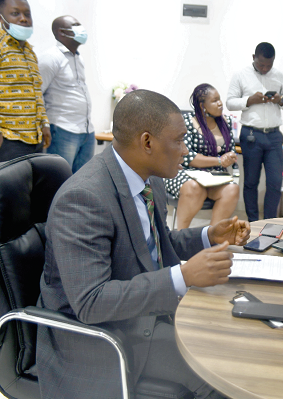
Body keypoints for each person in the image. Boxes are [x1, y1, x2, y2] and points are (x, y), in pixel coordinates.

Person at [37, 89, 251, 399]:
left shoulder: (150, 177)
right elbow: (91, 302)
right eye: (178, 140)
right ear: (147, 142)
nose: (185, 150)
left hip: (142, 314)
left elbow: (155, 245)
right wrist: (184, 276)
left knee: (229, 334)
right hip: (102, 338)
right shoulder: (83, 199)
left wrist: (209, 236)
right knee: (221, 372)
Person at [226, 42, 283, 222]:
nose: (264, 69)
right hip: (251, 135)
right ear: (253, 57)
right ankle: (254, 222)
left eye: (268, 65)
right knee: (250, 182)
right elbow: (230, 102)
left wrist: (280, 100)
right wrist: (249, 100)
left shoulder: (280, 76)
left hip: (274, 136)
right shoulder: (240, 75)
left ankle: (270, 222)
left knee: (274, 182)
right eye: (261, 64)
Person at [164, 84, 239, 228]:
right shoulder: (187, 122)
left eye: (220, 99)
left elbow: (230, 151)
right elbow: (187, 157)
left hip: (214, 176)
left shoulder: (226, 122)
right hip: (186, 173)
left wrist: (230, 157)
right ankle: (181, 235)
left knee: (232, 189)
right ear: (202, 105)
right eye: (215, 100)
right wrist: (219, 160)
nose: (220, 103)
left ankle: (212, 237)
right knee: (194, 187)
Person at [38, 15, 94, 173]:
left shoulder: (78, 58)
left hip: (86, 130)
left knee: (82, 182)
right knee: (59, 180)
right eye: (76, 25)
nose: (81, 28)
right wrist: (44, 125)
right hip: (62, 130)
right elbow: (37, 93)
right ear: (61, 32)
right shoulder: (50, 58)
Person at [0, 0, 51, 161]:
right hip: (8, 139)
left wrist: (45, 124)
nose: (23, 19)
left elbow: (37, 92)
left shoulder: (30, 52)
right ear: (2, 18)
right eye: (15, 13)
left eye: (27, 14)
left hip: (35, 138)